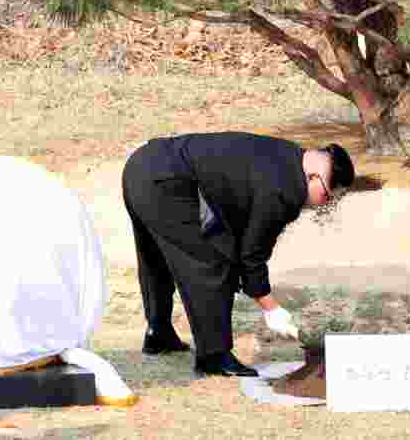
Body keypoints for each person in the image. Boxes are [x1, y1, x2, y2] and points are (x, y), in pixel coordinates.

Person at [122, 132, 355, 377]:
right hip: (166, 183)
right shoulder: (287, 189)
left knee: (156, 256)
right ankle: (214, 356)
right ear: (314, 176)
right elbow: (253, 253)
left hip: (141, 165)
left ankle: (158, 333)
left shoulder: (288, 155)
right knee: (212, 262)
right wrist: (271, 308)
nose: (321, 205)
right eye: (326, 196)